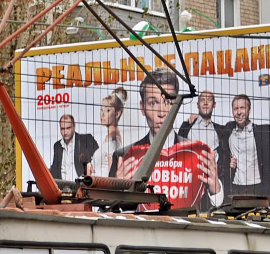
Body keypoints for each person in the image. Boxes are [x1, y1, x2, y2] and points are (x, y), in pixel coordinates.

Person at [109, 70, 219, 205]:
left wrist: (216, 192)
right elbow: (108, 210)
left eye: (168, 101)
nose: (161, 112)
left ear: (176, 104)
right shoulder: (123, 156)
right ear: (142, 107)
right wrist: (117, 194)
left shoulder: (196, 155)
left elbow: (207, 208)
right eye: (153, 103)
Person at [223, 94, 270, 207]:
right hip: (236, 189)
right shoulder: (228, 130)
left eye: (242, 108)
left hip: (258, 188)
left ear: (249, 110)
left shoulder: (263, 131)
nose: (238, 112)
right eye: (235, 109)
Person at [49, 114, 98, 181]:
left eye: (68, 128)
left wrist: (91, 165)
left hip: (80, 186)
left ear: (74, 127)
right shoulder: (57, 146)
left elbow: (100, 158)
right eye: (62, 129)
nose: (65, 132)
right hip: (63, 188)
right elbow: (55, 168)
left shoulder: (86, 140)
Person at [88, 92, 125, 178]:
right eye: (101, 110)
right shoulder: (110, 137)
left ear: (117, 114)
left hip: (103, 186)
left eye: (107, 110)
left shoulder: (112, 138)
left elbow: (113, 169)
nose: (102, 114)